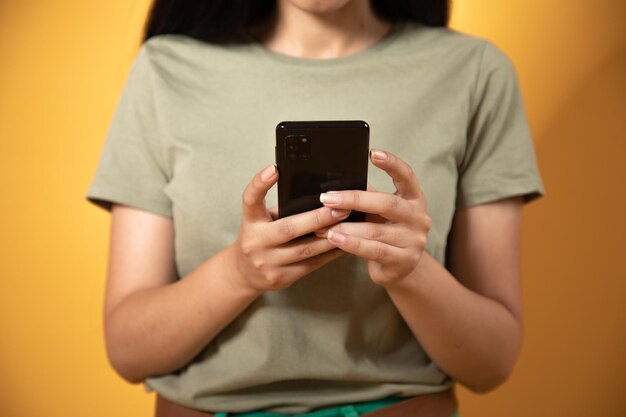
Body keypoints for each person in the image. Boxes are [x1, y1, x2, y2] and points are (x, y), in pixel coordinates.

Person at [85, 0, 545, 416]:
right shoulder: (166, 69)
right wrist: (238, 273)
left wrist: (410, 272)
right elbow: (129, 351)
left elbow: (492, 362)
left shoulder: (474, 71)